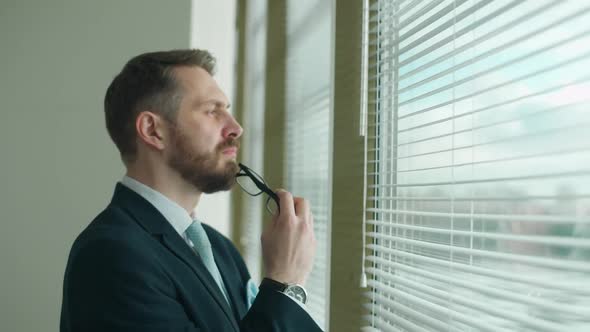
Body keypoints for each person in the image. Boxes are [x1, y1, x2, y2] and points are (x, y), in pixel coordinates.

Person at [60, 49, 321, 331]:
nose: (236, 128)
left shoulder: (221, 250)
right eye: (212, 111)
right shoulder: (111, 256)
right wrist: (284, 280)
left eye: (227, 110)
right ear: (152, 130)